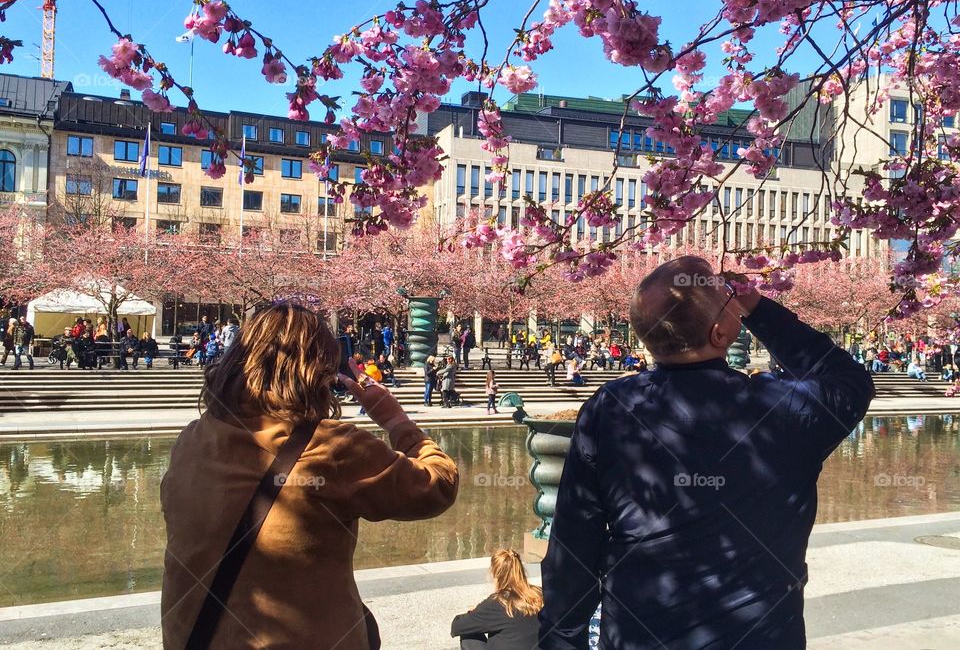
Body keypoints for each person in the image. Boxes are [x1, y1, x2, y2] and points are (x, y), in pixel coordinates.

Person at [539, 256, 874, 649]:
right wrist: (757, 308)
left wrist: (563, 636)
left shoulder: (609, 408)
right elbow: (849, 380)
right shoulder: (784, 409)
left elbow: (575, 541)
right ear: (719, 334)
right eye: (727, 302)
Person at [160, 303, 459, 649]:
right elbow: (438, 485)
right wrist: (395, 420)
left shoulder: (193, 440)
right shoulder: (332, 447)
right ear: (320, 371)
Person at [451, 549, 542, 649]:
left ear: (495, 574)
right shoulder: (539, 593)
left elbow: (457, 627)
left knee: (469, 634)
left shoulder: (498, 602)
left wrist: (474, 612)